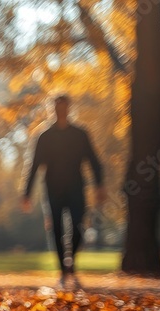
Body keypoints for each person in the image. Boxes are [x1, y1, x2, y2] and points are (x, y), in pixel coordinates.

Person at [22, 94, 105, 290]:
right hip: (52, 189)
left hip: (76, 187)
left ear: (69, 109)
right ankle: (62, 271)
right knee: (57, 230)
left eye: (64, 107)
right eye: (57, 107)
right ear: (52, 110)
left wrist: (99, 185)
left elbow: (94, 161)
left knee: (78, 227)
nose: (61, 111)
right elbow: (34, 166)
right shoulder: (44, 136)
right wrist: (26, 194)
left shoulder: (80, 134)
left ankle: (71, 262)